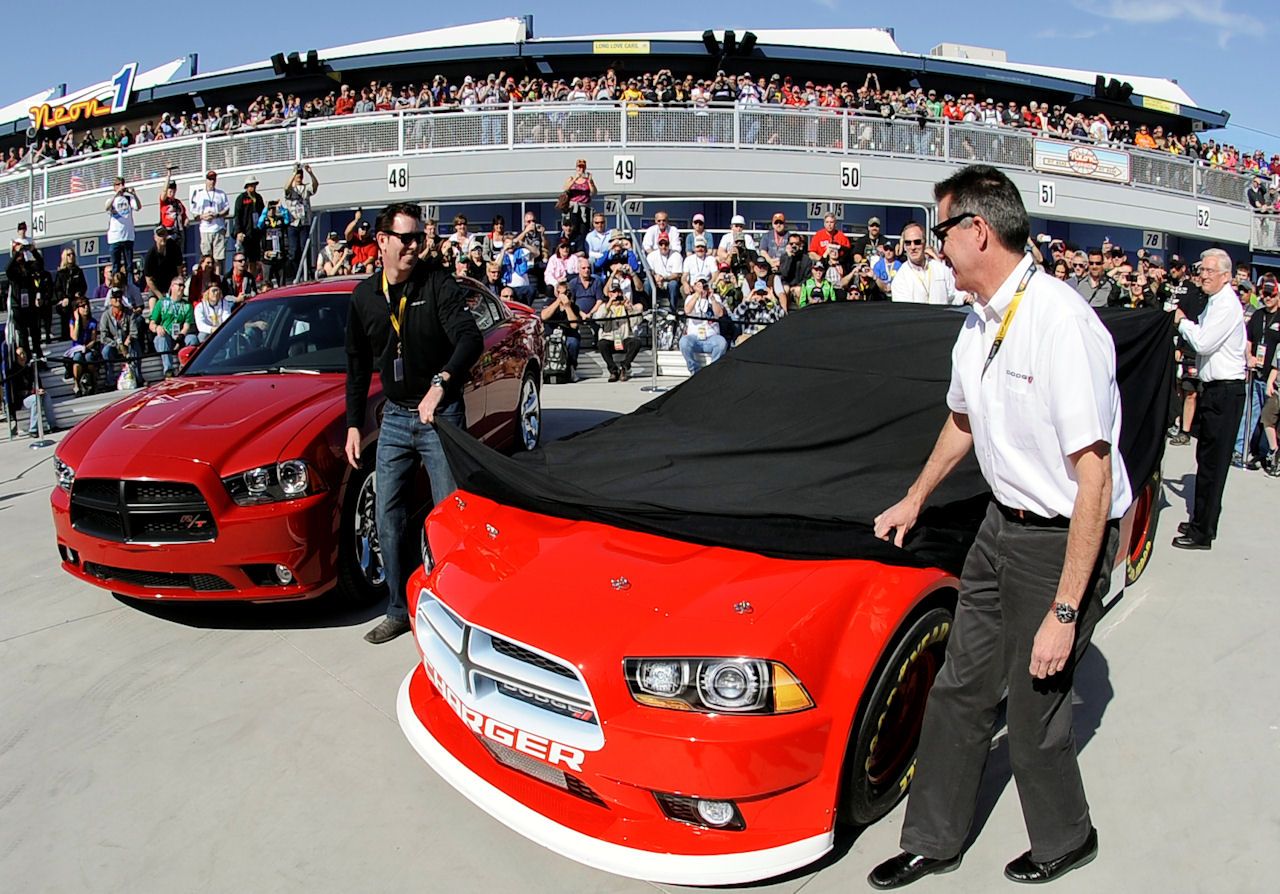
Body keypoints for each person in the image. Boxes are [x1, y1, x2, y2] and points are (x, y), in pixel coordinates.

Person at [870, 165, 1129, 889]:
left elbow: (1095, 480)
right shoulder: (977, 322)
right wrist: (917, 495)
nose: (931, 244)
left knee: (1037, 701)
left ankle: (1066, 838)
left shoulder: (1062, 325)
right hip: (999, 525)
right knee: (959, 688)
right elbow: (963, 419)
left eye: (942, 229)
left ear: (977, 231)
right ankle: (934, 839)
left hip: (1062, 535)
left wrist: (1065, 612)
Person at [344, 202, 483, 645]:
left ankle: (456, 609)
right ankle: (399, 609)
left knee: (449, 515)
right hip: (396, 420)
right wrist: (352, 424)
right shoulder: (365, 297)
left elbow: (469, 337)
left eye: (419, 238)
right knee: (388, 516)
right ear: (381, 241)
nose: (414, 245)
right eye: (406, 238)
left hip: (440, 416)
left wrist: (442, 383)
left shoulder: (437, 283)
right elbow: (356, 364)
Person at [1170, 249, 1247, 550]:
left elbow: (1203, 341)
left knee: (1214, 465)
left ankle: (1203, 532)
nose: (1203, 275)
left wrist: (1181, 322)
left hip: (1226, 391)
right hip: (1214, 390)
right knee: (1205, 459)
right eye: (1202, 269)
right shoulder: (1214, 302)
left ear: (1226, 276)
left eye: (1210, 271)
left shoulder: (1227, 304)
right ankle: (1200, 519)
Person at [1237, 280, 1280, 469]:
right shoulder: (1257, 315)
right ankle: (1240, 450)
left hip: (1274, 379)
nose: (1268, 298)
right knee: (1250, 413)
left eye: (1272, 294)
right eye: (1265, 294)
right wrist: (1249, 356)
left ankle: (1265, 454)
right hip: (1256, 373)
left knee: (1267, 418)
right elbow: (1248, 339)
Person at [890, 221, 959, 305]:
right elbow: (904, 312)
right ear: (904, 246)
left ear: (924, 243)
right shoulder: (900, 278)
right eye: (908, 243)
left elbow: (955, 295)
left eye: (917, 242)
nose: (913, 247)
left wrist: (964, 298)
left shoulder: (941, 269)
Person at [592, 283, 643, 381]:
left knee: (636, 342)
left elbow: (636, 322)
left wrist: (630, 309)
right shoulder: (604, 306)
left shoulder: (626, 306)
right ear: (609, 294)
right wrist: (609, 305)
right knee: (601, 344)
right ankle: (613, 370)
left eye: (619, 292)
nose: (617, 294)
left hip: (624, 338)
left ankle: (624, 366)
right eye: (614, 292)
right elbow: (598, 320)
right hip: (609, 338)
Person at [149, 280, 198, 376]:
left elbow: (187, 325)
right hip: (165, 336)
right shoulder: (161, 303)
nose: (182, 287)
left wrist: (181, 335)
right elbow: (152, 323)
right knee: (161, 338)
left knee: (193, 339)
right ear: (172, 286)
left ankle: (185, 366)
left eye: (183, 285)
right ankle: (169, 371)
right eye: (179, 285)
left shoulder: (187, 305)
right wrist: (157, 328)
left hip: (180, 336)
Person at [679, 279, 728, 373]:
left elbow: (720, 314)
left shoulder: (715, 297)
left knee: (721, 343)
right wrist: (696, 296)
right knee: (683, 342)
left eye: (704, 286)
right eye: (699, 286)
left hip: (711, 337)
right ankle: (694, 369)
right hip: (694, 337)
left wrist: (712, 298)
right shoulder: (690, 298)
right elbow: (687, 311)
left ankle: (713, 370)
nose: (702, 289)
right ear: (694, 287)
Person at [99, 289, 144, 387]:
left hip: (128, 343)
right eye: (115, 297)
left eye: (119, 297)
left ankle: (138, 377)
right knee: (106, 351)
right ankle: (110, 381)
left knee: (136, 346)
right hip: (114, 345)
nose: (117, 299)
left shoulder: (129, 313)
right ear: (110, 300)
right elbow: (103, 337)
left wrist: (129, 339)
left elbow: (134, 331)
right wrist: (117, 345)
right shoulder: (106, 315)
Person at [9, 347, 58, 436]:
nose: (22, 356)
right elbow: (18, 392)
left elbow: (38, 382)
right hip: (23, 399)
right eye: (19, 355)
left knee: (46, 395)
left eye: (23, 353)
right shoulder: (14, 371)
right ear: (16, 358)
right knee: (36, 399)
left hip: (34, 393)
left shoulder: (30, 367)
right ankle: (33, 429)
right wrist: (33, 392)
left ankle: (52, 425)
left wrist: (41, 390)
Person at [282, 164, 319, 281]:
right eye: (298, 174)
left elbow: (315, 186)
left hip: (304, 223)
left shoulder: (306, 188)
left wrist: (310, 173)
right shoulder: (291, 189)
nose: (299, 176)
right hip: (293, 223)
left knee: (305, 248)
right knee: (293, 251)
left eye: (300, 175)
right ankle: (294, 274)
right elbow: (286, 188)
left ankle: (306, 274)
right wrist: (293, 173)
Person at [540, 281, 582, 379]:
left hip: (568, 334)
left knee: (573, 342)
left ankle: (571, 368)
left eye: (566, 293)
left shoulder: (574, 307)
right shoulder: (550, 302)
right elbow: (544, 316)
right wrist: (558, 302)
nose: (564, 296)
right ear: (556, 293)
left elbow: (574, 325)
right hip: (551, 334)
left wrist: (567, 306)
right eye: (561, 293)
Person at [191, 170, 231, 266]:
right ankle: (207, 277)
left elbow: (227, 210)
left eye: (213, 179)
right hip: (205, 229)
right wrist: (203, 216)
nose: (212, 181)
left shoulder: (221, 194)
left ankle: (217, 278)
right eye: (210, 179)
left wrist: (216, 215)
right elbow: (194, 214)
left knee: (218, 258)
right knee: (206, 257)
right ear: (206, 180)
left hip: (218, 228)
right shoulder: (199, 194)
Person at [105, 177, 142, 276]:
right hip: (115, 238)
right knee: (115, 266)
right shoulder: (111, 200)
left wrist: (134, 194)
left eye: (122, 184)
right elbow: (106, 207)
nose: (121, 186)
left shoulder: (128, 198)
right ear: (114, 187)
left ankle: (130, 285)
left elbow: (138, 207)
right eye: (118, 184)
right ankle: (116, 286)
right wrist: (116, 194)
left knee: (129, 266)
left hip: (127, 236)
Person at [65, 299, 102, 396]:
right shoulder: (72, 321)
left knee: (89, 358)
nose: (86, 308)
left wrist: (87, 347)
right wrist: (77, 320)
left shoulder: (93, 322)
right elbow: (74, 337)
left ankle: (94, 382)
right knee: (77, 359)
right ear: (77, 309)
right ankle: (76, 384)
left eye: (87, 305)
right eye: (83, 306)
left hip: (88, 347)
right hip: (76, 349)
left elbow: (94, 339)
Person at [53, 247, 88, 341]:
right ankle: (66, 335)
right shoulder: (61, 273)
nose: (71, 256)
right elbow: (57, 289)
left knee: (83, 305)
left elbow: (83, 286)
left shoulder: (78, 271)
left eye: (72, 254)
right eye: (68, 254)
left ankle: (83, 332)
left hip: (76, 298)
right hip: (65, 300)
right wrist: (63, 298)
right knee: (65, 308)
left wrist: (79, 293)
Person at [233, 176, 265, 276]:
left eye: (254, 185)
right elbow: (237, 216)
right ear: (246, 186)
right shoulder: (241, 198)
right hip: (244, 234)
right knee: (243, 259)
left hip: (255, 233)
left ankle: (253, 280)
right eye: (250, 185)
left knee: (254, 260)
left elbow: (262, 214)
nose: (253, 187)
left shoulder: (258, 198)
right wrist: (238, 232)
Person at [257, 201, 293, 287]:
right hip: (267, 256)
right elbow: (259, 224)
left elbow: (288, 220)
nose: (271, 211)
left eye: (273, 209)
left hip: (279, 255)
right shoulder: (264, 220)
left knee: (281, 282)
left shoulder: (279, 219)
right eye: (270, 209)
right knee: (267, 282)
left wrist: (281, 208)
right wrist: (265, 208)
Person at [143, 227, 181, 305]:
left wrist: (175, 285)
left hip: (172, 283)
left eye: (164, 235)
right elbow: (149, 280)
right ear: (155, 238)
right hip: (156, 286)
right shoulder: (151, 254)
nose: (163, 237)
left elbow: (179, 270)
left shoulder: (174, 248)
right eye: (160, 235)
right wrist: (160, 296)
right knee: (152, 302)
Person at [562, 160, 596, 232]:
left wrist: (591, 182)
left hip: (584, 208)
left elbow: (594, 192)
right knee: (573, 230)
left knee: (584, 230)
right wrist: (575, 179)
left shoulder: (587, 180)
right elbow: (565, 188)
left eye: (583, 167)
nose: (581, 169)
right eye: (579, 167)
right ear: (576, 168)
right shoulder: (571, 179)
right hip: (573, 208)